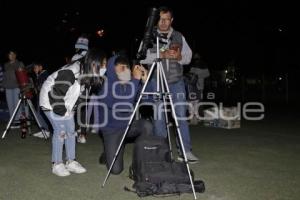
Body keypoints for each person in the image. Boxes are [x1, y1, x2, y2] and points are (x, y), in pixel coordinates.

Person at [140, 6, 198, 163]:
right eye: (160, 19)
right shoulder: (149, 36)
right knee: (159, 117)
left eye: (167, 19)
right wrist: (161, 54)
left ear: (172, 20)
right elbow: (142, 56)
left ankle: (185, 151)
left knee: (180, 116)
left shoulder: (179, 36)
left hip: (176, 81)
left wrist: (179, 57)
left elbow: (188, 57)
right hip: (156, 81)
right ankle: (162, 151)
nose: (164, 22)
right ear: (156, 20)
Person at [39, 48, 107, 177]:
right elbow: (55, 94)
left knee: (71, 130)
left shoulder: (88, 73)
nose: (104, 68)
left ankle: (71, 161)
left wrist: (72, 109)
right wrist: (63, 112)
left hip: (65, 101)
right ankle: (57, 163)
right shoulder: (70, 72)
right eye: (102, 65)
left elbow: (80, 95)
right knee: (61, 131)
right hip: (50, 101)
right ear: (94, 63)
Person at [97, 55, 152, 174]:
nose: (126, 71)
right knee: (116, 170)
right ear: (112, 70)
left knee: (146, 125)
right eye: (122, 68)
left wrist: (145, 82)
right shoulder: (105, 86)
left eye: (127, 68)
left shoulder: (130, 83)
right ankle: (108, 153)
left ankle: (141, 159)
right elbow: (123, 106)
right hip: (111, 130)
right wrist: (136, 80)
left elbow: (147, 99)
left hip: (127, 127)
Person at [2, 50, 27, 128]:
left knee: (17, 105)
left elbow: (24, 74)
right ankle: (13, 122)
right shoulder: (6, 65)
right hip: (8, 87)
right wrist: (2, 85)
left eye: (13, 54)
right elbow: (5, 76)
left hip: (17, 86)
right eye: (10, 55)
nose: (11, 56)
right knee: (10, 105)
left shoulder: (20, 63)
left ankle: (18, 122)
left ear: (15, 55)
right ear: (8, 56)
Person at [185, 53, 210, 125]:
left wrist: (197, 76)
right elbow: (190, 74)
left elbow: (207, 74)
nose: (195, 57)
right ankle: (191, 118)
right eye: (195, 56)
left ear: (199, 57)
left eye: (197, 56)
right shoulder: (192, 65)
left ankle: (199, 118)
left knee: (199, 102)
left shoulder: (203, 65)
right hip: (192, 86)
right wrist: (190, 76)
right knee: (190, 102)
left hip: (199, 86)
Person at [31, 61, 51, 138]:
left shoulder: (44, 75)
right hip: (40, 96)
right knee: (38, 113)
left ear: (41, 67)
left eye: (35, 68)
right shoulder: (40, 75)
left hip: (44, 97)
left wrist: (34, 87)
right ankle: (44, 130)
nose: (34, 70)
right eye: (33, 68)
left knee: (41, 113)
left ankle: (46, 131)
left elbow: (42, 87)